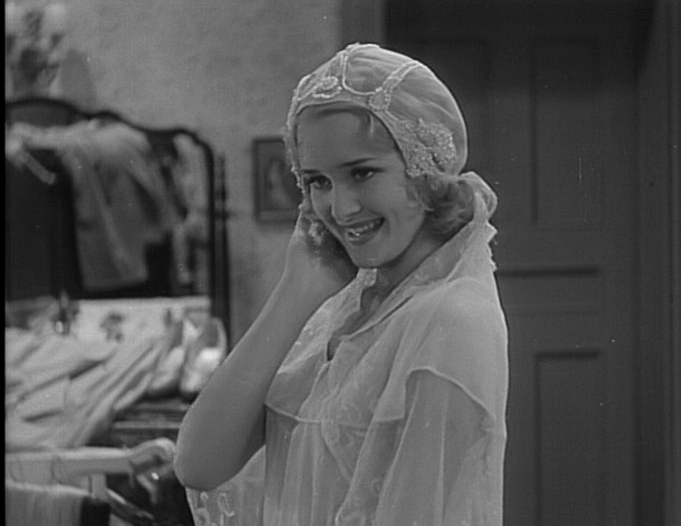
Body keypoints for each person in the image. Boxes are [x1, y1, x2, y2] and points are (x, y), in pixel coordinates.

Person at [174, 43, 509, 526]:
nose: (340, 208)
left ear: (425, 170)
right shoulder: (343, 310)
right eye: (318, 181)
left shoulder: (449, 318)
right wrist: (295, 292)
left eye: (362, 172)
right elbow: (198, 464)